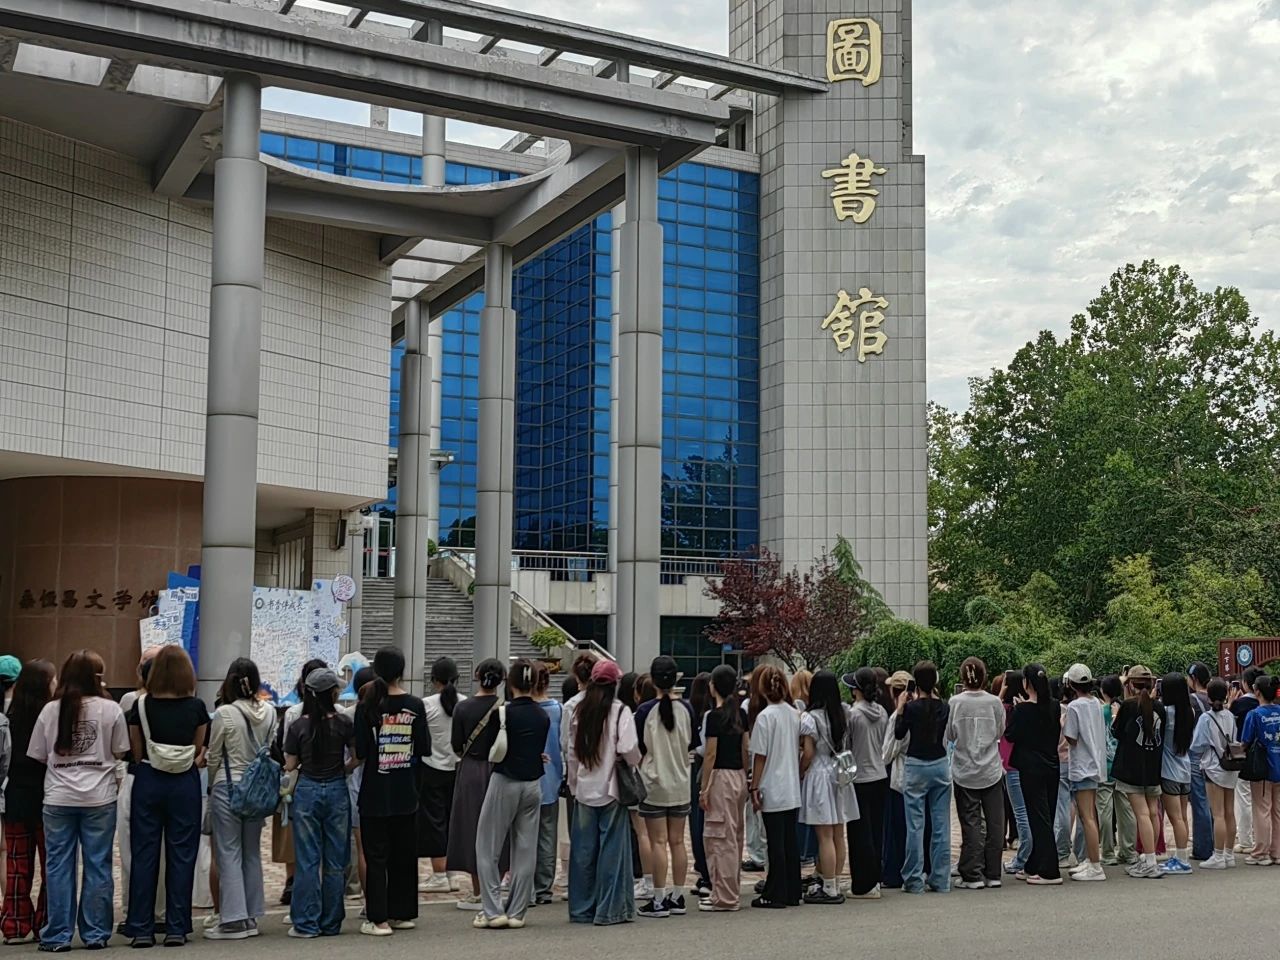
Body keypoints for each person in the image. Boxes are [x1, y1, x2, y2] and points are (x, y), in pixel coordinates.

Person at [28, 650, 129, 950]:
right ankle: (95, 932)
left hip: (58, 796)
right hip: (99, 797)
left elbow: (38, 754)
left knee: (58, 865)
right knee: (98, 864)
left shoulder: (50, 710)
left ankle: (58, 934)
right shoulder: (111, 709)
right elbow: (120, 750)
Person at [123, 646, 207, 946]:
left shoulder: (141, 705)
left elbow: (136, 751)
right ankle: (176, 927)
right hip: (184, 781)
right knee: (182, 854)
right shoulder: (196, 707)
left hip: (148, 778)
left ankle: (141, 928)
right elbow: (197, 749)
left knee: (144, 853)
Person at [355, 647, 428, 936]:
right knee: (404, 854)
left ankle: (378, 918)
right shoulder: (415, 705)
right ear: (402, 671)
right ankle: (402, 912)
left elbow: (361, 751)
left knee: (376, 856)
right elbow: (423, 747)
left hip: (374, 791)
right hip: (406, 789)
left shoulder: (367, 706)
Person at [473, 660, 548, 930]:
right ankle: (517, 911)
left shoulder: (502, 713)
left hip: (505, 780)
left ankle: (493, 911)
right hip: (533, 783)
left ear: (510, 683)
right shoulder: (542, 715)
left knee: (487, 846)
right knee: (525, 849)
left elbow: (489, 750)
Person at [205, 657, 277, 940]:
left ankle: (233, 920)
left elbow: (214, 755)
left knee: (229, 852)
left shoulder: (224, 713)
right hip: (257, 788)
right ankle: (251, 915)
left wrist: (211, 785)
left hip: (229, 786)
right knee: (251, 852)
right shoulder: (270, 712)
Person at [566, 659, 640, 926]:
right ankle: (609, 909)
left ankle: (581, 909)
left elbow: (571, 753)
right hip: (611, 788)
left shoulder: (579, 710)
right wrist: (634, 762)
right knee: (612, 851)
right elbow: (629, 749)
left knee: (583, 853)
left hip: (584, 788)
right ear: (615, 684)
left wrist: (573, 784)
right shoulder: (620, 711)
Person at [284, 667, 355, 939]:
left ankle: (306, 922)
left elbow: (291, 764)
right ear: (333, 694)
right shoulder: (343, 723)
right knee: (335, 861)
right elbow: (357, 756)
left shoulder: (298, 726)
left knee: (307, 860)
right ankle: (331, 922)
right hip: (337, 788)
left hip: (307, 790)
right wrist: (345, 769)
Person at [634, 656, 694, 918]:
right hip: (681, 781)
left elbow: (638, 747)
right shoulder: (687, 709)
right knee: (678, 841)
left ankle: (658, 899)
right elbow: (692, 743)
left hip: (654, 783)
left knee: (658, 841)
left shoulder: (645, 711)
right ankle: (678, 896)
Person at [1, 659, 55, 945]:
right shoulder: (51, 715)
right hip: (48, 796)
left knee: (17, 864)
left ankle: (15, 924)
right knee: (51, 865)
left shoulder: (9, 716)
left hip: (16, 797)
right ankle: (46, 921)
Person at [447, 658, 506, 910]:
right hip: (499, 769)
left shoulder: (462, 708)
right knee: (500, 828)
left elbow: (456, 745)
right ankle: (496, 886)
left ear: (476, 674)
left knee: (472, 827)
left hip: (471, 770)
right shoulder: (505, 708)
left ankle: (478, 890)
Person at [799, 670, 858, 904]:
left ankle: (829, 886)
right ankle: (834, 881)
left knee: (824, 836)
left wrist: (800, 770)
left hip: (819, 775)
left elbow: (809, 753)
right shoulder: (843, 712)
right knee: (838, 833)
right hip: (839, 774)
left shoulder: (810, 718)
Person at [947, 657, 1006, 889]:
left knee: (970, 822)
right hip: (991, 769)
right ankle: (993, 873)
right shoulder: (994, 702)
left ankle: (972, 874)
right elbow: (1000, 730)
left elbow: (950, 734)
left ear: (963, 678)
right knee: (995, 823)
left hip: (965, 770)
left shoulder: (955, 702)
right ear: (984, 676)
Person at [894, 661, 952, 894]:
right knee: (941, 825)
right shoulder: (945, 707)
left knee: (915, 826)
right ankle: (941, 878)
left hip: (916, 764)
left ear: (915, 683)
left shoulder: (911, 708)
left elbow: (899, 734)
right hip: (940, 763)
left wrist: (901, 708)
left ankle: (914, 879)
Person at [116, 648, 161, 935]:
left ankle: (133, 911)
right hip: (172, 779)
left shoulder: (133, 702)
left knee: (133, 850)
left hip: (138, 776)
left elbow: (125, 748)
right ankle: (162, 911)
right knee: (166, 851)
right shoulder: (189, 704)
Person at [749, 665, 801, 909]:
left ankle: (775, 892)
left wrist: (754, 786)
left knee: (775, 843)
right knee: (790, 841)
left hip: (771, 784)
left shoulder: (764, 717)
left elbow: (760, 756)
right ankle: (792, 890)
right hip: (791, 785)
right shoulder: (794, 713)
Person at [697, 665, 748, 912]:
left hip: (720, 777)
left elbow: (710, 755)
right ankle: (727, 890)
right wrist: (747, 777)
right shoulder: (740, 714)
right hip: (739, 776)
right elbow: (745, 748)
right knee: (734, 835)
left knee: (719, 837)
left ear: (713, 686)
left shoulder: (715, 717)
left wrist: (704, 788)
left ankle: (725, 896)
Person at [1005, 663, 1061, 885]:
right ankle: (1034, 864)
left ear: (1026, 683)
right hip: (1052, 766)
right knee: (1046, 815)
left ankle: (1049, 870)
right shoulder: (1054, 706)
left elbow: (1011, 735)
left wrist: (1018, 711)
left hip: (1031, 768)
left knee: (1038, 818)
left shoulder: (1023, 709)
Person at [1111, 665, 1166, 879]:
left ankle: (1149, 861)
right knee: (1152, 812)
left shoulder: (1128, 706)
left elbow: (1117, 732)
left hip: (1132, 767)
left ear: (1130, 685)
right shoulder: (1159, 707)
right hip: (1153, 765)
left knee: (1141, 813)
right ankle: (1150, 857)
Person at [843, 668, 889, 899]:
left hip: (859, 777)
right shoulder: (882, 712)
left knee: (858, 833)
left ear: (857, 690)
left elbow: (846, 746)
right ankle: (875, 878)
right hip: (880, 774)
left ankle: (862, 884)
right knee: (876, 831)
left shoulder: (853, 715)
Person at [419, 657, 464, 894]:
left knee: (434, 822)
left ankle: (439, 875)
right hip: (458, 768)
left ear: (433, 680)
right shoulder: (465, 703)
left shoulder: (426, 705)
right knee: (453, 820)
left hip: (431, 767)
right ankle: (453, 874)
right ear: (457, 678)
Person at [1060, 664, 1106, 881]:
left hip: (1082, 765)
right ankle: (1090, 859)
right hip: (1095, 763)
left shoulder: (1074, 707)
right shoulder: (1096, 702)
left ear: (1071, 684)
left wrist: (1063, 723)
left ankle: (1095, 866)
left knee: (1086, 817)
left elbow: (1072, 738)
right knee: (1089, 816)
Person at [1191, 678, 1239, 869]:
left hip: (1213, 767)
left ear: (1209, 697)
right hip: (1231, 766)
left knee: (1218, 813)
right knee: (1229, 812)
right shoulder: (1230, 715)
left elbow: (1197, 745)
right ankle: (1229, 854)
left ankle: (1218, 856)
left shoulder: (1206, 718)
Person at [1097, 675, 1136, 866]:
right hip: (1124, 766)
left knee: (1104, 810)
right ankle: (1128, 850)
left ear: (1102, 691)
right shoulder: (1126, 709)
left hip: (1104, 766)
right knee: (1126, 810)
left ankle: (1107, 852)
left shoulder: (1100, 711)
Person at [532, 664, 563, 907]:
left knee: (523, 834)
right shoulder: (557, 710)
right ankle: (544, 887)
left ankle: (525, 884)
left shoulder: (517, 709)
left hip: (525, 778)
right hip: (551, 778)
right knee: (548, 834)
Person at [1158, 673, 1195, 874]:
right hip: (1185, 768)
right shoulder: (1189, 711)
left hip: (1168, 771)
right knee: (1182, 817)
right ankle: (1182, 856)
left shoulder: (1165, 713)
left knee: (1175, 818)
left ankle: (1182, 861)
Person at [1241, 675, 1280, 864]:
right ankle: (1277, 852)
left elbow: (1245, 741)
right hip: (1279, 766)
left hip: (1262, 768)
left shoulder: (1254, 714)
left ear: (1257, 692)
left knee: (1262, 810)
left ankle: (1260, 853)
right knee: (1277, 811)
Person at [997, 670, 1033, 876]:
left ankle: (1022, 857)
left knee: (1020, 813)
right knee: (1028, 812)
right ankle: (1028, 854)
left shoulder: (1003, 710)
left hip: (1010, 766)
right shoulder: (1027, 708)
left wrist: (1000, 695)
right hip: (1027, 764)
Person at [1231, 667, 1263, 855]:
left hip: (1243, 757)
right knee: (1262, 801)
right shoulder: (1266, 703)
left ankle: (1245, 840)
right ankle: (1263, 839)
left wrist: (1230, 704)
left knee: (1243, 798)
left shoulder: (1239, 705)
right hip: (1265, 758)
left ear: (1245, 683)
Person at [1186, 662, 1216, 861]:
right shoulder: (1214, 698)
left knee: (1200, 802)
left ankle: (1203, 848)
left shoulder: (1192, 700)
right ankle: (1216, 845)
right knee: (1214, 802)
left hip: (1196, 755)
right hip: (1214, 755)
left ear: (1194, 679)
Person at [686, 672, 712, 900]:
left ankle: (703, 870)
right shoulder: (717, 713)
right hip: (712, 769)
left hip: (696, 769)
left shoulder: (691, 713)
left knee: (696, 820)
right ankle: (709, 871)